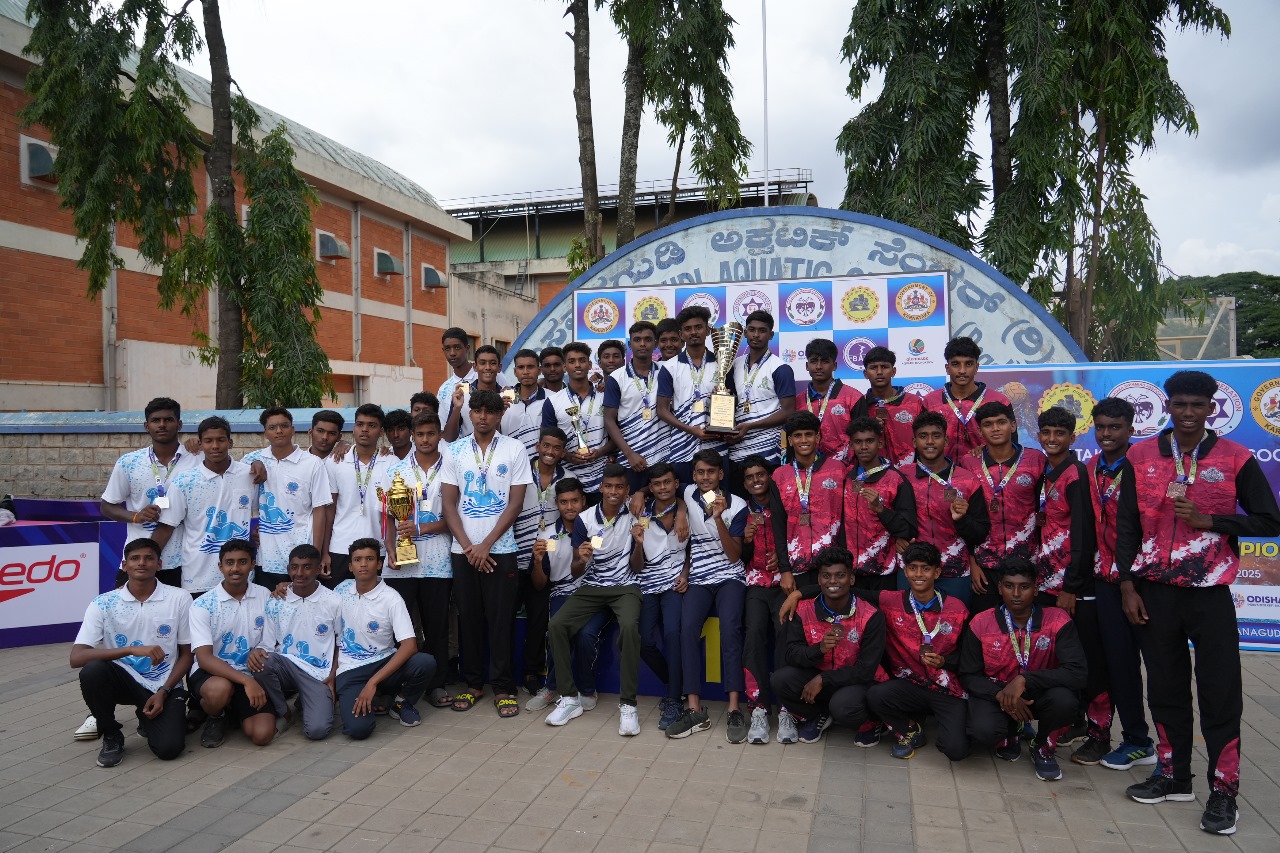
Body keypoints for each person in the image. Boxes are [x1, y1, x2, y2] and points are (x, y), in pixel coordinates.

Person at [1116, 370, 1280, 835]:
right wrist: (1127, 585)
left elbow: (1270, 520)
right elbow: (1127, 524)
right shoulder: (1141, 455)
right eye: (1180, 404)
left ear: (1212, 408)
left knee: (1219, 694)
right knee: (1165, 688)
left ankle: (1223, 791)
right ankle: (1173, 776)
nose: (1188, 413)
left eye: (1197, 405)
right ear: (1167, 405)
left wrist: (1211, 520)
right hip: (1154, 593)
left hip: (1210, 595)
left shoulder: (1234, 457)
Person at [441, 390, 532, 717]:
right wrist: (468, 546)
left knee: (500, 620)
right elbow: (448, 504)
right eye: (476, 411)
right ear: (469, 413)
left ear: (498, 416)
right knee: (470, 621)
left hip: (501, 550)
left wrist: (486, 544)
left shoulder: (514, 449)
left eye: (489, 412)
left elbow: (516, 503)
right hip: (462, 551)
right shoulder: (454, 451)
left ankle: (504, 688)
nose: (482, 417)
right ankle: (474, 684)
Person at [960, 556, 1086, 782]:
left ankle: (1043, 745)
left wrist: (1025, 680)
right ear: (1000, 588)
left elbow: (1077, 673)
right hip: (997, 692)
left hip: (1038, 692)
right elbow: (968, 675)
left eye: (1024, 587)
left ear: (1036, 589)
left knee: (1065, 701)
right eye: (1009, 586)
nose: (1016, 594)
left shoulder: (1058, 620)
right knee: (983, 730)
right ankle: (1010, 733)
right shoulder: (980, 622)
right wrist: (1001, 695)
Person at [71, 538, 192, 767]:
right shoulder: (103, 603)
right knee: (92, 672)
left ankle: (145, 717)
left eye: (149, 558)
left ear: (159, 564)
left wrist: (165, 690)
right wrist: (130, 650)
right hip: (123, 681)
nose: (142, 563)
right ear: (125, 565)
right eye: (135, 558)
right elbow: (76, 658)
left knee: (169, 749)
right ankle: (111, 733)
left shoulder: (179, 598)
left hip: (163, 686)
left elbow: (187, 654)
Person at [543, 464, 644, 737]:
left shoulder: (635, 517)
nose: (613, 492)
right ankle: (569, 698)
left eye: (619, 487)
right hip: (591, 587)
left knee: (630, 628)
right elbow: (576, 570)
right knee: (557, 626)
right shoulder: (585, 519)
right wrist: (582, 558)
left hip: (625, 587)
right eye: (608, 486)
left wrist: (639, 543)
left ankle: (628, 705)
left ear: (627, 491)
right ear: (601, 488)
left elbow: (637, 568)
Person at [1083, 397, 1156, 771]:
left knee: (1155, 668)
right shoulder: (1090, 468)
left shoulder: (1145, 467)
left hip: (1144, 579)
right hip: (1104, 580)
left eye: (1115, 427)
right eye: (1101, 427)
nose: (1107, 434)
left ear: (1132, 429)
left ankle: (1143, 742)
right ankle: (1129, 737)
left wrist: (1134, 580)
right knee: (1115, 663)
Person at [667, 450, 750, 742]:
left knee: (730, 631)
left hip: (730, 576)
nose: (705, 478)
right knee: (686, 630)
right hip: (699, 577)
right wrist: (679, 511)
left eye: (711, 472)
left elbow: (734, 555)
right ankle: (694, 709)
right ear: (693, 475)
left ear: (721, 475)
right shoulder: (689, 492)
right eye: (700, 472)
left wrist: (718, 519)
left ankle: (734, 708)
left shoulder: (737, 505)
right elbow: (671, 492)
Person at [770, 546, 886, 744]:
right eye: (826, 576)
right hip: (820, 677)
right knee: (780, 680)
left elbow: (865, 671)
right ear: (819, 579)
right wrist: (819, 650)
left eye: (840, 575)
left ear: (851, 579)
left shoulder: (871, 615)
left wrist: (823, 678)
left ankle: (870, 723)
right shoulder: (803, 609)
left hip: (856, 682)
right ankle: (818, 715)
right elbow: (791, 653)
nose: (832, 581)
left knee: (842, 706)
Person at [866, 542, 970, 761]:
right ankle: (911, 729)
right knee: (876, 695)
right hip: (909, 685)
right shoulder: (890, 600)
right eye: (913, 568)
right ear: (905, 571)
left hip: (946, 689)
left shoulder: (957, 608)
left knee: (956, 751)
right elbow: (848, 591)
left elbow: (970, 658)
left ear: (937, 572)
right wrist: (797, 594)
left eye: (926, 568)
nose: (919, 574)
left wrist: (945, 661)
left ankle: (948, 727)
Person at [384, 412, 455, 708]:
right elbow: (387, 517)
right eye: (420, 434)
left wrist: (423, 528)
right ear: (413, 436)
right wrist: (389, 549)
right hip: (402, 565)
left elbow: (456, 516)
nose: (425, 439)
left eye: (431, 433)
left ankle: (436, 685)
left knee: (436, 626)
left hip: (438, 560)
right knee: (400, 629)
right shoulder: (396, 470)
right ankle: (399, 683)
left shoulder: (452, 469)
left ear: (439, 434)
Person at [524, 478, 611, 715]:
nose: (570, 506)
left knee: (585, 635)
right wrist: (539, 562)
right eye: (564, 502)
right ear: (557, 504)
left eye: (574, 500)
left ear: (583, 500)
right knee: (556, 630)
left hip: (596, 592)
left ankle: (586, 688)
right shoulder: (548, 535)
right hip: (562, 592)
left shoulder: (598, 529)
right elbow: (539, 584)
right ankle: (552, 688)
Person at [333, 538, 437, 737]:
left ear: (379, 564)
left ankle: (400, 701)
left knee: (425, 662)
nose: (363, 564)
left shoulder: (391, 598)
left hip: (383, 663)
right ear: (350, 566)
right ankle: (374, 697)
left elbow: (409, 645)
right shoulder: (340, 590)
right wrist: (285, 586)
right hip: (349, 669)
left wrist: (372, 683)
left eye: (370, 559)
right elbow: (312, 594)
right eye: (358, 560)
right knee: (358, 730)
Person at [99, 397, 200, 589]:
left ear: (179, 424)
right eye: (156, 420)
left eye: (168, 420)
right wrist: (136, 516)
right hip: (140, 561)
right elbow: (106, 506)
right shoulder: (129, 462)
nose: (162, 425)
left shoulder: (196, 459)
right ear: (147, 426)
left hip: (186, 563)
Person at [151, 417, 256, 597]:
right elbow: (166, 526)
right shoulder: (184, 482)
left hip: (242, 578)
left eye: (221, 440)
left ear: (230, 442)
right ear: (200, 444)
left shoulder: (250, 475)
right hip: (198, 578)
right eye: (208, 441)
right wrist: (148, 559)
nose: (215, 446)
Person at [959, 402, 1046, 613]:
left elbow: (1046, 512)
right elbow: (963, 516)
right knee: (987, 629)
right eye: (988, 424)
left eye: (1001, 422)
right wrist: (972, 561)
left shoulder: (1036, 459)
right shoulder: (967, 463)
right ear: (979, 431)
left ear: (1013, 425)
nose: (995, 428)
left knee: (1027, 627)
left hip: (1026, 562)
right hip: (985, 565)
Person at [189, 539, 276, 749]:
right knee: (219, 689)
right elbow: (204, 658)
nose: (235, 568)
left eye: (242, 562)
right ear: (220, 566)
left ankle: (233, 709)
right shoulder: (203, 604)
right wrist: (247, 683)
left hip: (251, 672)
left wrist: (261, 650)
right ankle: (216, 715)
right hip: (213, 674)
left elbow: (271, 639)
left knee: (262, 735)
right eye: (229, 562)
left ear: (253, 564)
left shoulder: (265, 595)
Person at [253, 544, 340, 740]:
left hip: (318, 673)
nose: (299, 573)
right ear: (288, 569)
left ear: (318, 569)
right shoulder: (276, 600)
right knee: (261, 662)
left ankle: (308, 700)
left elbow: (340, 643)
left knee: (317, 731)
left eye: (307, 567)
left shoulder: (334, 600)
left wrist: (333, 676)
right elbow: (266, 644)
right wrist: (256, 652)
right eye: (294, 567)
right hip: (286, 665)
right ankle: (284, 712)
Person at [902, 412, 990, 604]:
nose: (930, 442)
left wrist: (962, 520)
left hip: (955, 571)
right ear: (914, 442)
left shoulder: (967, 480)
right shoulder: (900, 477)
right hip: (912, 571)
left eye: (936, 435)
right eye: (923, 436)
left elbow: (981, 532)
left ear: (946, 439)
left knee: (954, 629)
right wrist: (895, 541)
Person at [241, 407, 332, 591]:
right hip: (265, 557)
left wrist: (316, 554)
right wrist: (255, 463)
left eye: (284, 426)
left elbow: (320, 511)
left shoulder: (312, 463)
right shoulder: (251, 460)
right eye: (272, 427)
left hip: (301, 557)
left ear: (293, 429)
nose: (279, 431)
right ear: (265, 432)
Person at [739, 455, 796, 745]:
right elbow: (740, 557)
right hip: (756, 585)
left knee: (785, 634)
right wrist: (747, 542)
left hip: (785, 583)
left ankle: (787, 708)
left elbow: (800, 538)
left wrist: (785, 562)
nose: (756, 480)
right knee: (754, 635)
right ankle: (759, 707)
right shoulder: (740, 510)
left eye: (760, 474)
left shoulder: (785, 504)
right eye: (749, 477)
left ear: (769, 476)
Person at [630, 463, 690, 731]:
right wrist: (639, 546)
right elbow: (636, 566)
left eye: (668, 482)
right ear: (650, 488)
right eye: (657, 484)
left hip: (676, 583)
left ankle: (674, 699)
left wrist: (687, 573)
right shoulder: (640, 513)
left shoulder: (688, 507)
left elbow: (694, 550)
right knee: (643, 641)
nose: (663, 488)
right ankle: (675, 683)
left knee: (673, 635)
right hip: (648, 583)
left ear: (676, 484)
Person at [514, 427, 569, 695]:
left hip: (545, 554)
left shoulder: (567, 478)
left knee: (538, 617)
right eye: (546, 446)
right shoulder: (519, 471)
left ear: (563, 452)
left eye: (556, 448)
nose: (550, 452)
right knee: (504, 616)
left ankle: (531, 672)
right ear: (537, 446)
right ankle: (501, 674)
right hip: (514, 550)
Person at [842, 417, 917, 592]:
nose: (864, 447)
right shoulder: (845, 477)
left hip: (884, 572)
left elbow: (909, 529)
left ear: (880, 442)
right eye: (858, 442)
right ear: (851, 445)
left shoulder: (895, 479)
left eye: (870, 441)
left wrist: (881, 510)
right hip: (852, 573)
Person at [323, 404, 391, 589]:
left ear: (381, 431)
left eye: (372, 425)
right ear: (353, 428)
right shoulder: (336, 461)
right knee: (339, 604)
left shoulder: (392, 463)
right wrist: (324, 551)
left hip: (379, 548)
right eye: (360, 424)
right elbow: (330, 509)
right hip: (340, 547)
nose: (365, 430)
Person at [727, 310, 796, 479]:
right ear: (745, 332)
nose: (756, 335)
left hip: (769, 451)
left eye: (762, 330)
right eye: (751, 329)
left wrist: (750, 426)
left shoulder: (780, 368)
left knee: (768, 502)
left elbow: (788, 412)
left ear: (771, 335)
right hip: (737, 449)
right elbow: (729, 403)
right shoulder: (734, 365)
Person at [604, 321, 672, 492]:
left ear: (655, 344)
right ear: (629, 344)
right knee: (632, 512)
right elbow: (609, 420)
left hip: (664, 458)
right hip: (631, 460)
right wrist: (629, 454)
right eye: (637, 339)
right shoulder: (616, 377)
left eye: (648, 339)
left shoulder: (667, 371)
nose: (642, 344)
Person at [774, 411, 845, 575]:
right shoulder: (779, 476)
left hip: (833, 563)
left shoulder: (838, 470)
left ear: (818, 437)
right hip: (797, 563)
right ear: (790, 440)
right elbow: (778, 525)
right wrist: (784, 570)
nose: (804, 440)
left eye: (809, 434)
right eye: (798, 436)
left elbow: (847, 516)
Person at [657, 306, 721, 485]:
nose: (693, 332)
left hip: (716, 447)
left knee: (718, 503)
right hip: (682, 449)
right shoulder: (669, 367)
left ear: (708, 330)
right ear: (681, 333)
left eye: (698, 327)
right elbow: (662, 410)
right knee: (686, 502)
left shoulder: (722, 362)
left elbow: (734, 402)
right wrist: (691, 429)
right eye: (687, 328)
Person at [923, 336, 1011, 458]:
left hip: (984, 473)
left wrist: (989, 449)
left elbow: (1012, 444)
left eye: (968, 364)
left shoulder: (999, 401)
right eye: (955, 364)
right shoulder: (930, 402)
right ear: (947, 368)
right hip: (941, 473)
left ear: (977, 367)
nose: (962, 370)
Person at [543, 341, 613, 493]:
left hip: (602, 479)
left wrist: (600, 452)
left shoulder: (605, 395)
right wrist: (567, 456)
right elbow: (546, 440)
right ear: (564, 366)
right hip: (568, 479)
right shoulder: (553, 402)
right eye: (571, 361)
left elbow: (618, 434)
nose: (577, 365)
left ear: (589, 364)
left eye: (582, 360)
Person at [850, 347, 923, 467]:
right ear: (865, 373)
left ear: (893, 371)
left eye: (884, 367)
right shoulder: (859, 405)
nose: (879, 372)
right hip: (873, 476)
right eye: (873, 368)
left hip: (910, 474)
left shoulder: (914, 403)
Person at [797, 338, 862, 463]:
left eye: (825, 361)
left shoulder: (853, 398)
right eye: (814, 361)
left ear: (835, 365)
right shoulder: (798, 402)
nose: (819, 366)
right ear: (807, 365)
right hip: (809, 472)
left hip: (846, 470)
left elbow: (861, 438)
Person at [443, 344, 504, 442]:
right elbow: (449, 437)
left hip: (501, 453)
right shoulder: (463, 395)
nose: (487, 367)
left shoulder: (506, 396)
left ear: (499, 367)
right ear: (475, 367)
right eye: (482, 363)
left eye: (492, 363)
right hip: (468, 454)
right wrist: (456, 409)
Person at [502, 349, 550, 454]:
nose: (525, 372)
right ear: (515, 372)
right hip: (510, 462)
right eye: (520, 367)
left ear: (539, 370)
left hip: (541, 464)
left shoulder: (552, 398)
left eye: (530, 367)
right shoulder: (501, 399)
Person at [437, 327, 477, 405]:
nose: (452, 353)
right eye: (447, 348)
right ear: (443, 351)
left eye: (457, 347)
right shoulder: (443, 390)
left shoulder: (488, 376)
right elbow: (444, 417)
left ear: (467, 348)